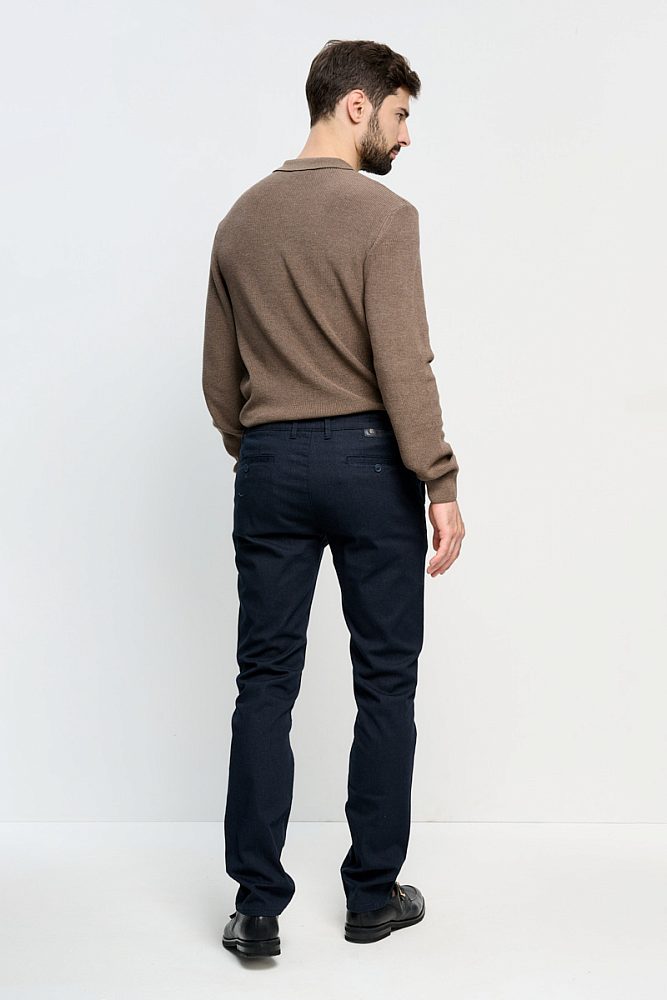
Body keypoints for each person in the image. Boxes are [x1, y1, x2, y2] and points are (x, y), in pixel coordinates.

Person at [203, 38, 465, 957]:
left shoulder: (239, 221)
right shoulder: (383, 216)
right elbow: (404, 363)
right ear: (355, 105)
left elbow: (219, 379)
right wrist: (438, 477)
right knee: (384, 679)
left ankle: (255, 908)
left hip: (270, 464)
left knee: (263, 681)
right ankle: (370, 896)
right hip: (367, 464)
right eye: (399, 114)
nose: (405, 136)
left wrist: (263, 449)